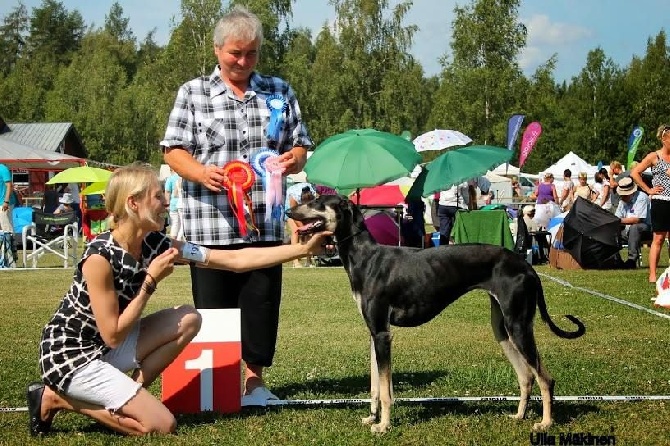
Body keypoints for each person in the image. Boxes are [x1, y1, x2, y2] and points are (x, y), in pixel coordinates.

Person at [26, 163, 331, 437]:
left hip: (105, 347)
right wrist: (150, 281)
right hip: (70, 355)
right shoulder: (99, 258)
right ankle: (55, 398)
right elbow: (114, 334)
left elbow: (234, 260)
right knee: (161, 426)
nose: (166, 202)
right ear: (133, 203)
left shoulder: (155, 242)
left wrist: (302, 250)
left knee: (189, 318)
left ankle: (130, 394)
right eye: (159, 196)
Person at [160, 6, 312, 405]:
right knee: (213, 304)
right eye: (235, 53)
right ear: (217, 50)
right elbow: (172, 150)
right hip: (209, 222)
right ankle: (216, 384)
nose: (243, 62)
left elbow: (300, 145)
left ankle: (254, 382)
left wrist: (294, 160)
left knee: (260, 301)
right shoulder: (192, 93)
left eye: (251, 53)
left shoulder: (280, 91)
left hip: (265, 221)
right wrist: (199, 173)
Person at [631, 124, 670, 283]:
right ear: (664, 139)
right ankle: (652, 274)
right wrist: (649, 190)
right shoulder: (654, 156)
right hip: (661, 201)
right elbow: (635, 173)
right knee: (658, 238)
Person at [614, 177, 651, 269]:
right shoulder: (622, 201)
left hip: (645, 230)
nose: (622, 197)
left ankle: (632, 260)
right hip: (627, 230)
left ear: (632, 192)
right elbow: (617, 217)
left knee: (635, 227)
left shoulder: (642, 197)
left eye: (625, 195)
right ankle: (615, 259)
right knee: (612, 229)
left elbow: (638, 219)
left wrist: (619, 221)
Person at [285, 182, 316, 268]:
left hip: (303, 211)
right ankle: (295, 261)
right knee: (295, 231)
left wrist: (309, 227)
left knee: (309, 231)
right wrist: (302, 227)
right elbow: (293, 213)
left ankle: (309, 261)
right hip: (290, 210)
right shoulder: (294, 196)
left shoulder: (313, 194)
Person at [163, 170, 184, 240]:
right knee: (182, 224)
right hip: (182, 203)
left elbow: (167, 192)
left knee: (174, 224)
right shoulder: (183, 177)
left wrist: (167, 204)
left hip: (173, 203)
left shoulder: (170, 179)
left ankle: (173, 241)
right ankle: (180, 240)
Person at [0, 162, 14, 234]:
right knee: (1, 227)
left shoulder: (2, 168)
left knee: (6, 226)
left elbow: (9, 185)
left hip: (4, 202)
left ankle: (9, 245)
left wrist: (6, 202)